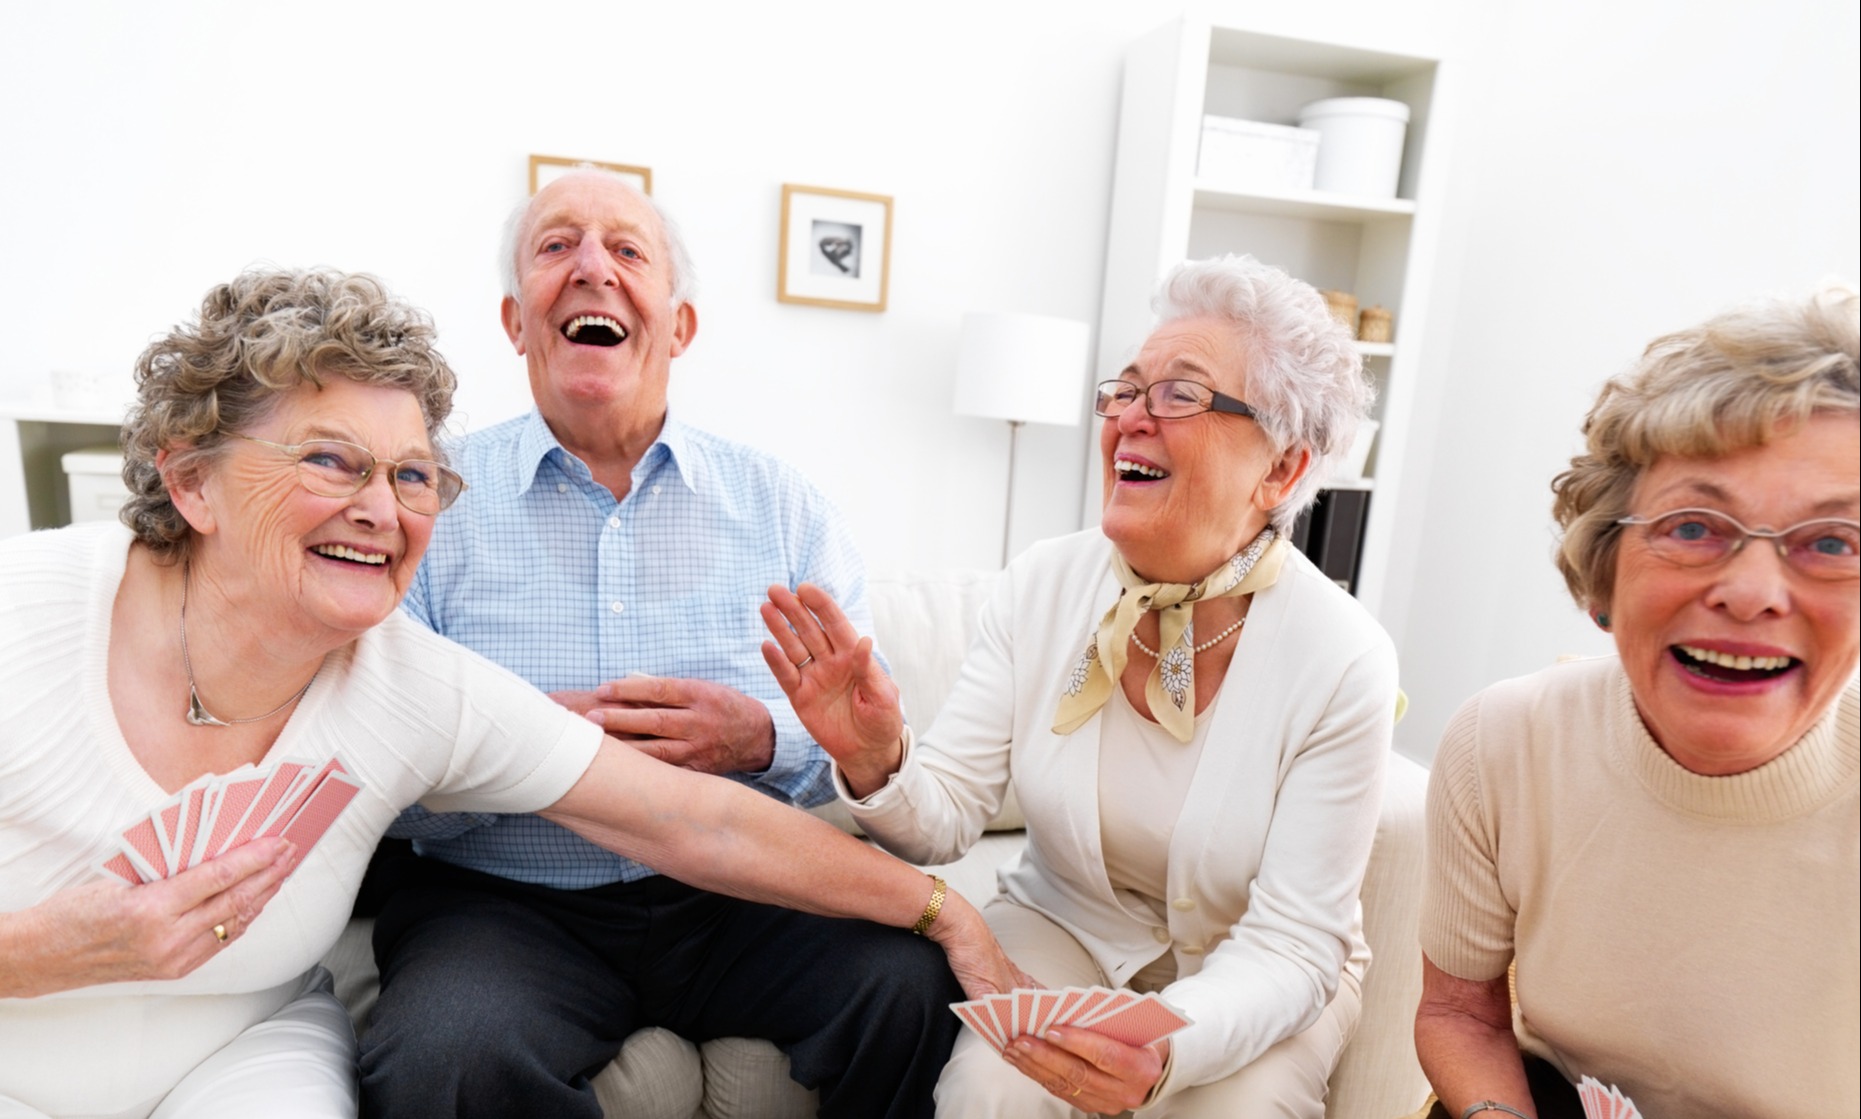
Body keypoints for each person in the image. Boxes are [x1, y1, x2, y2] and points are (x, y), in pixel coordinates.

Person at [0, 268, 1018, 1119]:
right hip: (481, 910)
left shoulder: (406, 682)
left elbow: (690, 819)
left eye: (409, 476)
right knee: (453, 1044)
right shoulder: (28, 612)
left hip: (237, 1052)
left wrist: (943, 911)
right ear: (190, 483)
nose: (381, 510)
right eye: (328, 460)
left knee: (899, 983)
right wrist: (49, 948)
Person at [356, 169, 966, 1119]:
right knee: (442, 1053)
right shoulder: (425, 504)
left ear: (677, 326)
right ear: (517, 322)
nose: (592, 267)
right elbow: (380, 775)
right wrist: (516, 747)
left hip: (738, 891)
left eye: (627, 250)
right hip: (506, 904)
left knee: (911, 987)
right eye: (557, 246)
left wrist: (763, 739)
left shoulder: (784, 510)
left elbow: (846, 742)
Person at [761, 254, 1398, 1117]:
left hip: (1257, 972)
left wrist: (1166, 1044)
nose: (1132, 418)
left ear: (1281, 470)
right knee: (989, 1092)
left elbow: (1293, 942)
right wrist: (876, 759)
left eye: (1180, 394)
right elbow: (944, 814)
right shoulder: (1041, 585)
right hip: (1065, 930)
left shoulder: (1343, 655)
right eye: (1126, 391)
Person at [1413, 283, 1859, 1119]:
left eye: (1831, 542)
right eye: (1693, 526)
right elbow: (1456, 1014)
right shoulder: (1503, 741)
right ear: (1602, 574)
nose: (1751, 590)